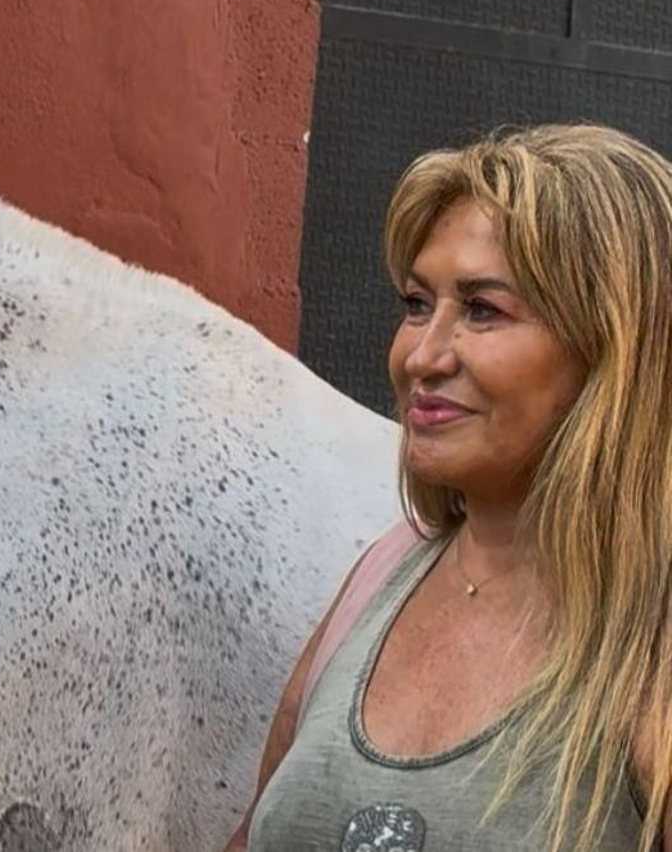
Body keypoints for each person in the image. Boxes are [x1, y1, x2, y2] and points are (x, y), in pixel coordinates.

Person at [225, 124, 672, 851]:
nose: (421, 356)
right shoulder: (378, 578)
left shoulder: (650, 635)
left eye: (483, 309)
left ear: (613, 352)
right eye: (415, 304)